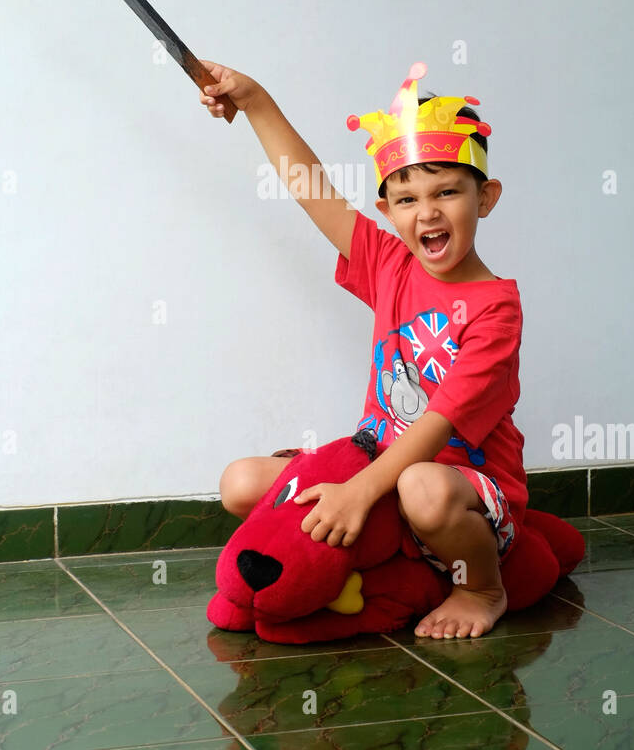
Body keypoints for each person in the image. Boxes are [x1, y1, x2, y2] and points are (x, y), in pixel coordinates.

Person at [199, 60, 525, 639]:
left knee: (420, 486)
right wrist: (255, 100)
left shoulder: (496, 308)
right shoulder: (389, 263)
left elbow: (437, 424)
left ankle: (480, 586)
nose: (426, 212)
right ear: (387, 212)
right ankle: (378, 543)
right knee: (240, 484)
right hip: (373, 465)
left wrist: (358, 493)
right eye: (406, 199)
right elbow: (310, 190)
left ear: (486, 197)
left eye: (447, 192)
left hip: (454, 486)